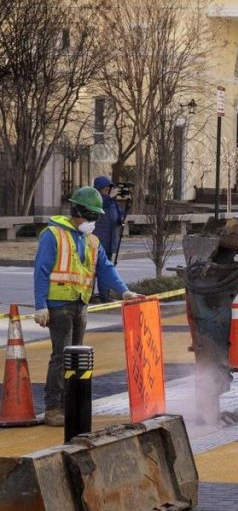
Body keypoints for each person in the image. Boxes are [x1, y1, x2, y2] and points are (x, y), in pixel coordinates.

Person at [33, 186, 141, 426]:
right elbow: (41, 270)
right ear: (77, 211)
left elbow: (105, 268)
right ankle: (53, 408)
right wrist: (41, 305)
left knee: (76, 358)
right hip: (59, 305)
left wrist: (124, 291)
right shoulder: (53, 235)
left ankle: (71, 403)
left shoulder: (91, 240)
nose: (94, 221)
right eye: (91, 215)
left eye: (96, 217)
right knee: (61, 356)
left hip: (81, 303)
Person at [92, 176, 123, 259]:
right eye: (105, 189)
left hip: (111, 241)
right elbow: (101, 205)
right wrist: (109, 197)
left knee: (107, 265)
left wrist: (122, 218)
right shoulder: (95, 200)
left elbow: (119, 213)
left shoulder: (112, 201)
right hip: (99, 241)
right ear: (99, 189)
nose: (108, 190)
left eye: (108, 188)